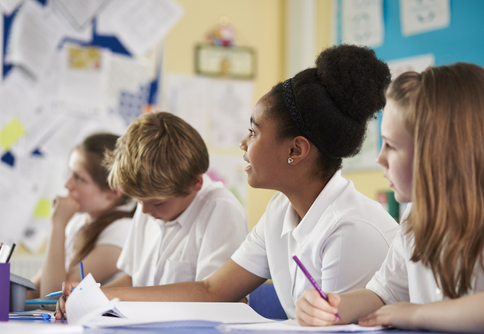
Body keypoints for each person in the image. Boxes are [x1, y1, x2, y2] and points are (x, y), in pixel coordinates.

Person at [56, 44, 397, 319]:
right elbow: (213, 291)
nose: (243, 143)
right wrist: (103, 295)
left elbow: (332, 331)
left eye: (254, 131)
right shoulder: (281, 210)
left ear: (295, 149)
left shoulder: (349, 229)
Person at [295, 63, 484, 333]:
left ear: (440, 153)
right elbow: (383, 294)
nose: (379, 158)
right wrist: (332, 307)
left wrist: (417, 314)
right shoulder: (415, 214)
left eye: (392, 146)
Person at [90, 112, 247, 290]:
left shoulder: (220, 208)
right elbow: (133, 279)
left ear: (195, 183)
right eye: (138, 201)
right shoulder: (149, 204)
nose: (144, 211)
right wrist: (94, 296)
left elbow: (217, 296)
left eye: (157, 203)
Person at [28, 133, 136, 299]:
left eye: (78, 178)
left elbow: (53, 297)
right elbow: (34, 288)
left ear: (112, 192)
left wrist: (57, 225)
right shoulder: (78, 223)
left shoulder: (122, 230)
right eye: (69, 173)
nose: (67, 184)